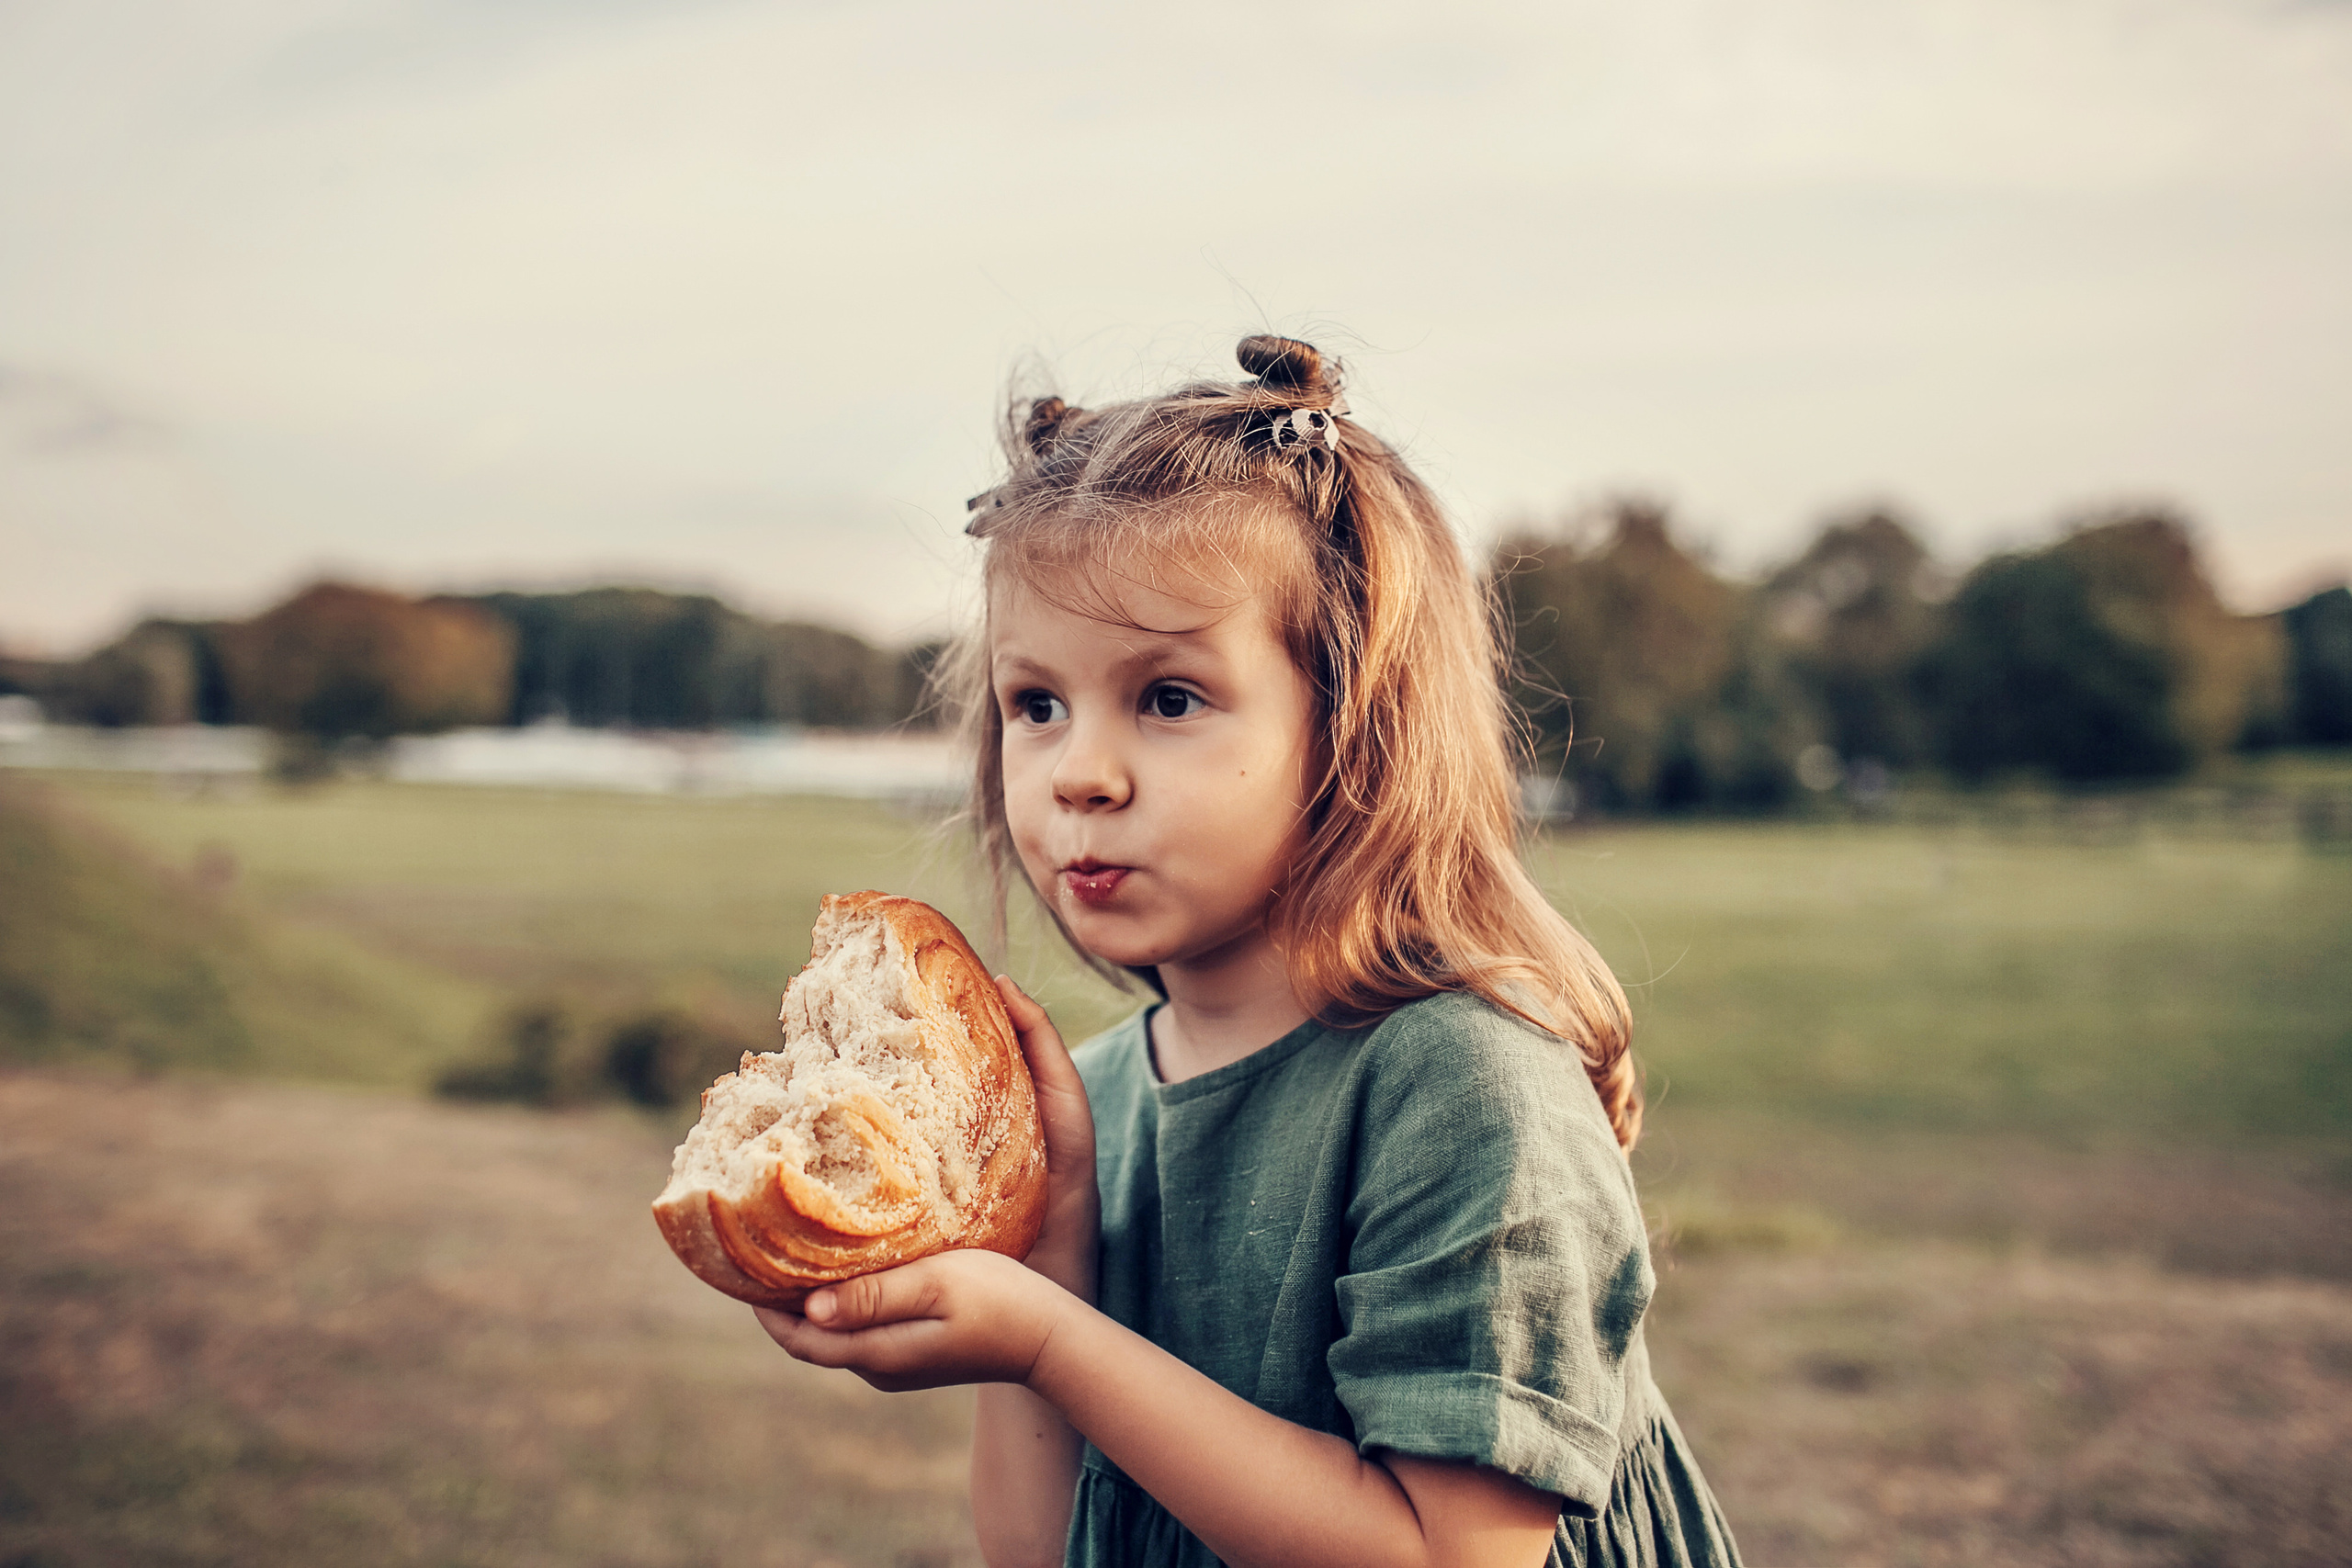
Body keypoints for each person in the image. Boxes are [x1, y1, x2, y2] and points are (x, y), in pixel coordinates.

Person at [756, 335, 1743, 1568]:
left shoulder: (1462, 1087)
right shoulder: (1095, 1102)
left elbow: (1452, 1556)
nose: (1079, 774)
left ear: (1356, 729)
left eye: (1168, 698)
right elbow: (1037, 1550)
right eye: (1036, 704)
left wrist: (1054, 1341)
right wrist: (1043, 1280)